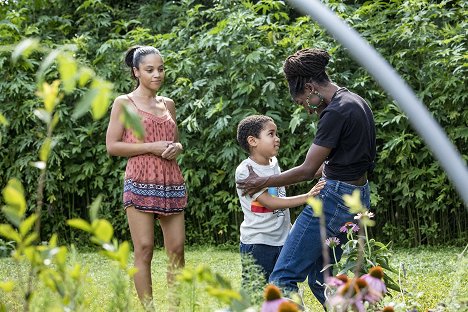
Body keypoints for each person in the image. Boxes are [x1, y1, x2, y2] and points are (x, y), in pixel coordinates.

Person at [236, 48, 376, 306]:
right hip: (357, 192)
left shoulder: (335, 111)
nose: (308, 109)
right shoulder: (355, 101)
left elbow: (307, 170)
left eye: (303, 102)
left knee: (282, 278)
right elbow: (347, 159)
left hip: (334, 198)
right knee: (322, 277)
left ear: (311, 88)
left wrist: (262, 181)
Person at [106, 46, 187, 308]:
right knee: (144, 249)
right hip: (140, 178)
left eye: (160, 69)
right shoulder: (124, 103)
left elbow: (174, 142)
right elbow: (113, 146)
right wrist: (149, 147)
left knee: (176, 249)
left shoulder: (169, 104)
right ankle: (148, 308)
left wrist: (177, 148)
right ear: (136, 71)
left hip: (170, 178)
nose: (157, 74)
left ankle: (176, 306)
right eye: (150, 70)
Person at [235, 115, 326, 288]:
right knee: (256, 291)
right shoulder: (245, 170)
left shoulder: (273, 163)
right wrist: (306, 197)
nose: (277, 139)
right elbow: (270, 202)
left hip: (282, 239)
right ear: (253, 141)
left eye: (276, 134)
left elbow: (283, 181)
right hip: (258, 242)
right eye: (271, 134)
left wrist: (320, 170)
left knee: (281, 286)